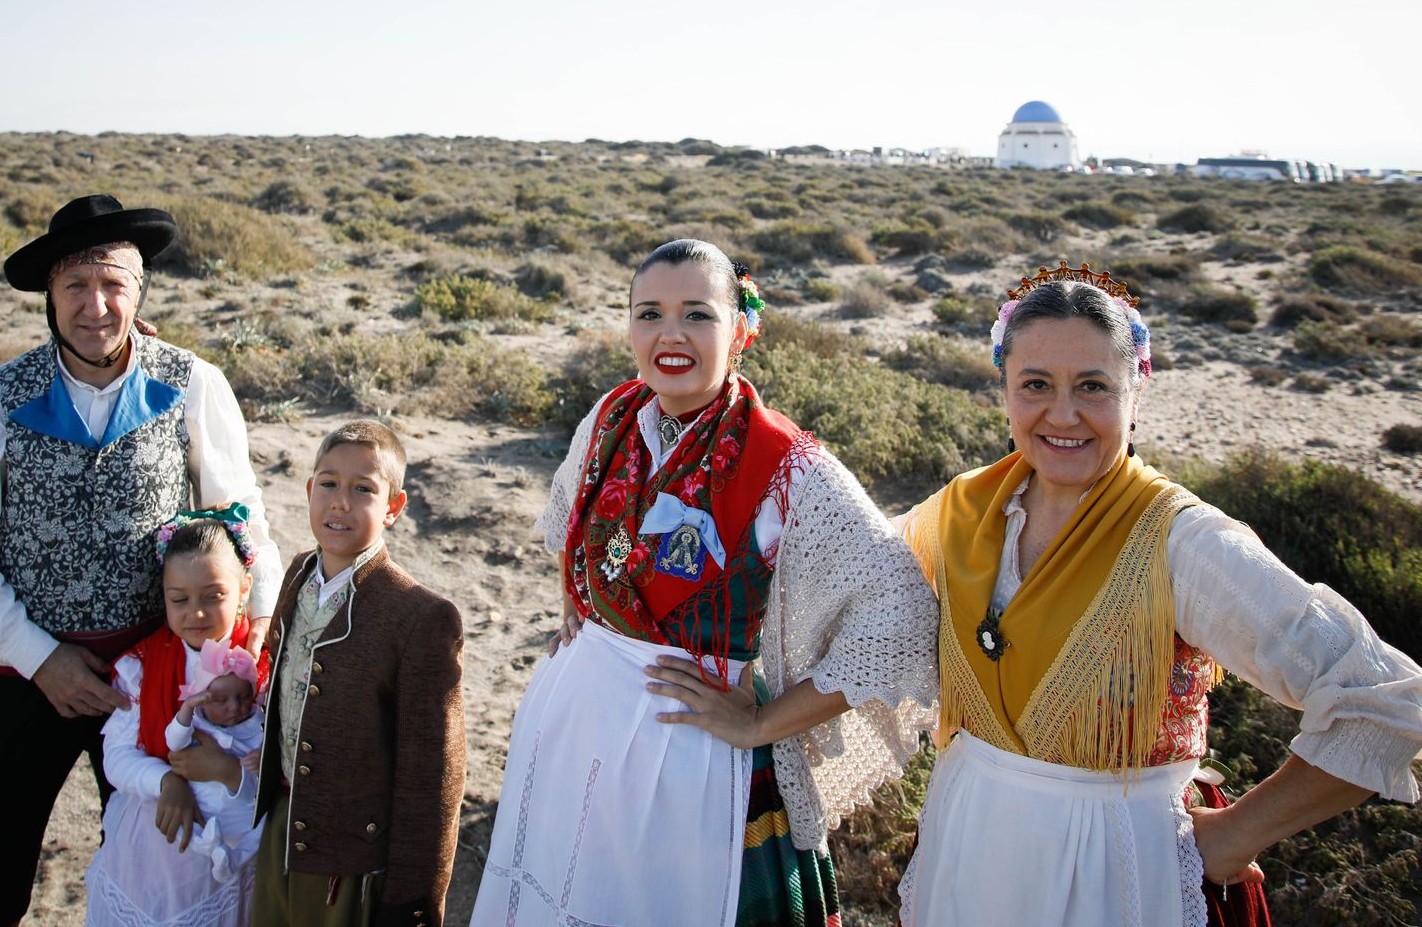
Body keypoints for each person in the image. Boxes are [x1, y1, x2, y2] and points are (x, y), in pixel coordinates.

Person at [894, 262, 1422, 927]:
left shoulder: (1181, 541)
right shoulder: (964, 509)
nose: (1063, 415)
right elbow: (854, 589)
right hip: (969, 843)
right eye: (1036, 385)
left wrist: (1234, 835)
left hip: (1119, 867)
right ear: (1004, 388)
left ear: (1134, 391)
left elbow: (1383, 699)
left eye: (1093, 387)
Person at [470, 239, 939, 927]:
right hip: (576, 729)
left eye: (697, 314)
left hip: (691, 754)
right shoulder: (612, 417)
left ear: (740, 329)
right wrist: (578, 598)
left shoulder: (789, 467)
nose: (670, 335)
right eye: (649, 313)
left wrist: (762, 723)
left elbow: (900, 613)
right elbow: (572, 514)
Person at [0, 193, 284, 927]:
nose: (95, 305)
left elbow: (244, 527)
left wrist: (251, 645)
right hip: (24, 677)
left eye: (113, 283)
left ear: (139, 291)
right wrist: (40, 658)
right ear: (49, 296)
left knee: (165, 860)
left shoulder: (191, 386)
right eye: (75, 285)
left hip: (162, 680)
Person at [237, 418, 466, 927]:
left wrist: (413, 900)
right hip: (284, 829)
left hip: (353, 859)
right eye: (328, 484)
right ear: (308, 490)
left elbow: (433, 781)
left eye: (363, 489)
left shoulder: (420, 617)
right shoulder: (298, 573)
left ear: (393, 508)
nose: (340, 502)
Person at [85, 509, 271, 926]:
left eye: (213, 596)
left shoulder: (266, 667)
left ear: (244, 589)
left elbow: (286, 757)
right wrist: (166, 781)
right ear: (164, 596)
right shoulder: (142, 666)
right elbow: (115, 756)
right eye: (179, 600)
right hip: (155, 849)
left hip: (244, 839)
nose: (196, 614)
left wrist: (227, 771)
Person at [167, 640, 268, 881]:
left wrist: (262, 757)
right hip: (205, 808)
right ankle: (205, 845)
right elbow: (174, 743)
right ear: (202, 699)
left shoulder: (258, 723)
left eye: (243, 697)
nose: (234, 706)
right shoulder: (197, 723)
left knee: (264, 828)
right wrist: (187, 708)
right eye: (221, 700)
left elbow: (273, 751)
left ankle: (233, 860)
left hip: (243, 811)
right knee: (184, 822)